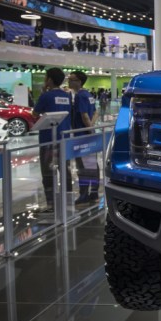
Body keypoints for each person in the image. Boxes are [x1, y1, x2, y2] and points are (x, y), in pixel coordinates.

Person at [33, 67, 72, 213]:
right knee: (65, 170)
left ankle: (51, 204)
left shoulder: (46, 96)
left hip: (48, 139)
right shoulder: (67, 96)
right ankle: (67, 201)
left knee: (48, 172)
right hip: (64, 138)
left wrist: (43, 92)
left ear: (49, 79)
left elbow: (35, 113)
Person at [68, 71, 100, 205]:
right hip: (89, 134)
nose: (69, 82)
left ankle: (84, 194)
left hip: (82, 136)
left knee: (83, 166)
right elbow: (96, 112)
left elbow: (85, 116)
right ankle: (94, 192)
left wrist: (88, 129)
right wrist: (91, 128)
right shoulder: (88, 94)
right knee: (92, 164)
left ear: (79, 81)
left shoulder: (80, 96)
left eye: (72, 79)